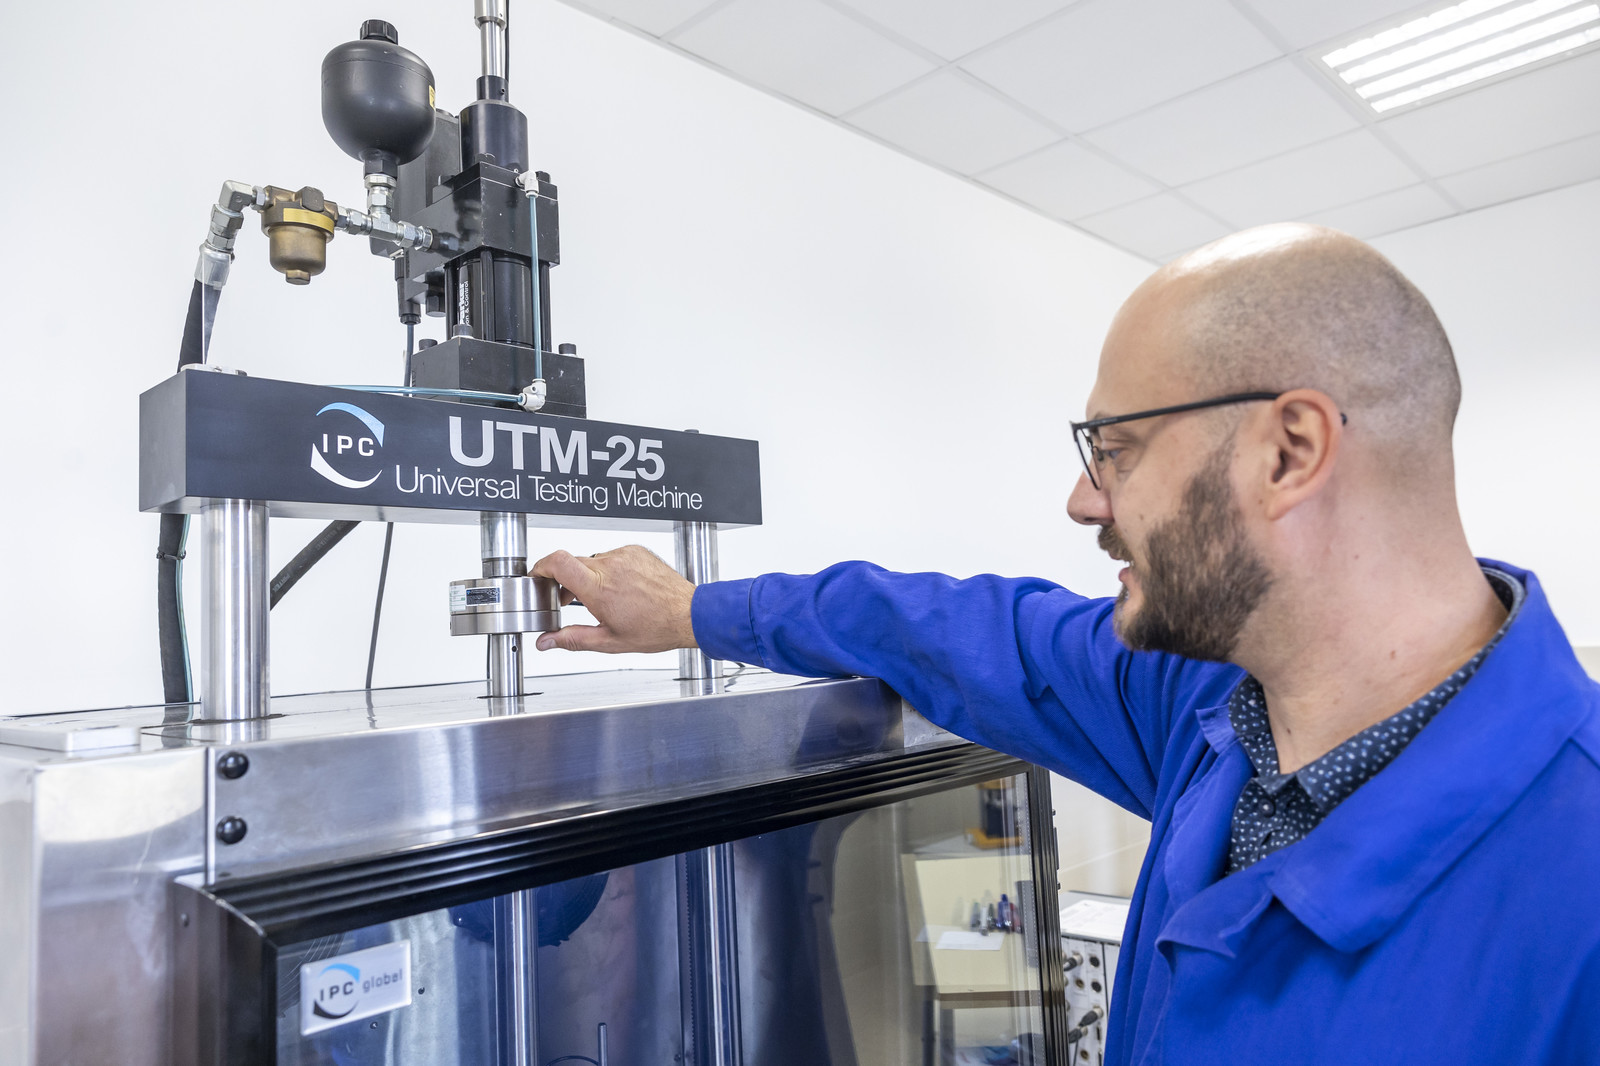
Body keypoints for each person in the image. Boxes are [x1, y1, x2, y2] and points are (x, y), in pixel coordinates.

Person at [530, 224, 1600, 1063]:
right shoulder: (1199, 702)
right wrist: (697, 611)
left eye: (1116, 449)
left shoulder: (1572, 881)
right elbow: (943, 628)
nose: (1084, 500)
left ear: (1288, 452)